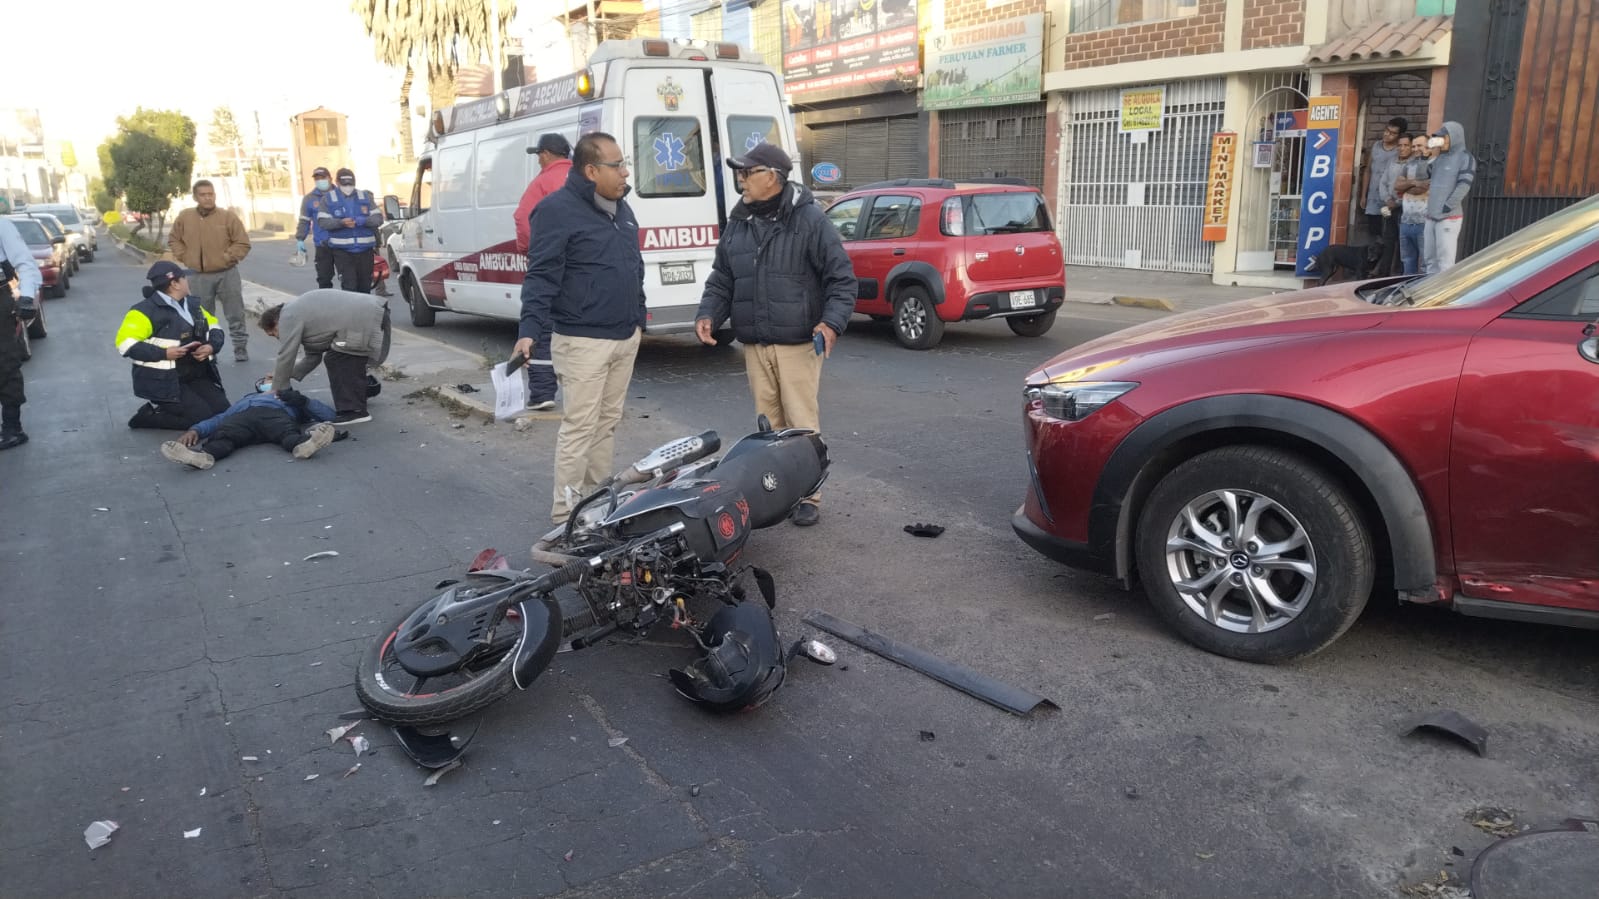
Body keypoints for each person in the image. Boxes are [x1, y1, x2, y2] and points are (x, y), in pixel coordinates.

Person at [694, 142, 856, 527]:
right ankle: (777, 490)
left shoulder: (810, 220)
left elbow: (842, 279)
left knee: (800, 422)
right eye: (740, 173)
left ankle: (809, 494)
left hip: (798, 342)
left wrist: (830, 323)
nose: (741, 180)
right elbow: (723, 277)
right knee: (768, 424)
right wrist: (708, 312)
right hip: (756, 342)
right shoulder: (739, 221)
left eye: (748, 173)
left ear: (773, 177)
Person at [511, 132, 645, 524]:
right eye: (616, 166)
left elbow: (631, 265)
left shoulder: (622, 207)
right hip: (583, 339)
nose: (624, 173)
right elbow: (541, 276)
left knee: (607, 424)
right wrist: (529, 330)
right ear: (590, 170)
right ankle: (564, 513)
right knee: (580, 427)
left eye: (624, 164)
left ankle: (596, 500)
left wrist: (639, 315)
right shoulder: (556, 210)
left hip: (624, 336)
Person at [116, 261, 231, 430]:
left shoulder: (192, 304)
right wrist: (164, 353)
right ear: (175, 284)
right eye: (184, 278)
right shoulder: (143, 312)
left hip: (195, 375)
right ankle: (148, 418)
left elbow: (214, 326)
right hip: (164, 383)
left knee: (224, 413)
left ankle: (177, 408)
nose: (188, 281)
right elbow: (125, 344)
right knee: (202, 419)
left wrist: (211, 346)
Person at [259, 289, 391, 424]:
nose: (277, 338)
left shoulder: (287, 318)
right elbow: (313, 357)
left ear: (276, 323)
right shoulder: (300, 316)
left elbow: (286, 354)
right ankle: (356, 398)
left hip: (363, 316)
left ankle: (355, 411)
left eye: (273, 333)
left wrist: (276, 389)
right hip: (369, 311)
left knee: (338, 358)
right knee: (344, 356)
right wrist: (283, 374)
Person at [512, 134, 574, 412]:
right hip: (585, 269)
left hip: (552, 264)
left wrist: (531, 250)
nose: (538, 159)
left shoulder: (542, 183)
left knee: (544, 328)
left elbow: (523, 220)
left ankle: (542, 392)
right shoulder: (586, 178)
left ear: (547, 154)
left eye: (539, 154)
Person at [160, 378, 339, 470]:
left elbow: (329, 415)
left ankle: (304, 446)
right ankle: (202, 456)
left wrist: (303, 401)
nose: (270, 380)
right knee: (225, 436)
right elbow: (219, 419)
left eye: (274, 378)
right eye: (266, 379)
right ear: (259, 387)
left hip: (274, 415)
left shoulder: (288, 399)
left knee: (286, 432)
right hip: (241, 418)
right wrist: (196, 430)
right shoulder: (245, 401)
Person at [168, 180, 252, 361]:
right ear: (195, 197)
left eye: (211, 194)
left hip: (227, 273)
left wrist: (228, 257)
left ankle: (240, 348)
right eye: (203, 195)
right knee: (201, 316)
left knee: (235, 313)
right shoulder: (185, 217)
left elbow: (243, 242)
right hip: (198, 276)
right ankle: (206, 350)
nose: (208, 198)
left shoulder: (227, 217)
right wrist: (184, 256)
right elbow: (174, 239)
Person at [0, 200, 43, 450]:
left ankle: (12, 427)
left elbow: (25, 263)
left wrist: (26, 296)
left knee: (4, 363)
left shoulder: (2, 225)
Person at [1422, 121, 1476, 275]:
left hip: (1448, 217)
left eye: (1444, 138)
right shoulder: (1439, 158)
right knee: (1429, 260)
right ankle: (1429, 293)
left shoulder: (1466, 158)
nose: (1441, 141)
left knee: (1445, 261)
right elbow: (1422, 175)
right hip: (1431, 216)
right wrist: (1426, 155)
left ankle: (1443, 296)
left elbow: (1464, 185)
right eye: (1439, 138)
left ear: (1454, 137)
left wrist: (1448, 206)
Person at [316, 168, 383, 294]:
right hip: (342, 252)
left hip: (365, 250)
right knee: (349, 286)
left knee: (365, 287)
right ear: (337, 182)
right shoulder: (328, 199)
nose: (348, 187)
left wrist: (363, 221)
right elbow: (322, 222)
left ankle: (364, 313)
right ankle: (352, 313)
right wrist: (340, 223)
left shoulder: (365, 197)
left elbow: (378, 219)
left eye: (350, 184)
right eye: (344, 184)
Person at [1377, 131, 1415, 277]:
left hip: (1405, 208)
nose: (1402, 148)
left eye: (1406, 145)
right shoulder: (1392, 161)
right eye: (1400, 145)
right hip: (1389, 206)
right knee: (1388, 241)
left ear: (1411, 147)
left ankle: (1399, 274)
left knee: (1402, 243)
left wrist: (1397, 203)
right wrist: (1387, 200)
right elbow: (1383, 182)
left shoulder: (1413, 164)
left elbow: (1412, 187)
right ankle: (1383, 273)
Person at [1392, 135, 1431, 276]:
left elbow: (1421, 189)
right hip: (1406, 222)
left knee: (1426, 263)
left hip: (1424, 223)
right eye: (1413, 146)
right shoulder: (1409, 164)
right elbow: (1397, 186)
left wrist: (1408, 185)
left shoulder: (1433, 164)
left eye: (1419, 146)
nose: (1415, 149)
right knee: (1407, 262)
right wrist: (1414, 182)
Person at [295, 166, 337, 290]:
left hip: (342, 243)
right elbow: (304, 220)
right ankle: (326, 307)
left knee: (347, 278)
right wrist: (300, 239)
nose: (320, 181)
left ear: (330, 178)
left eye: (323, 178)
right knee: (324, 279)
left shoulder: (340, 194)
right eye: (317, 179)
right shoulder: (309, 199)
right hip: (322, 245)